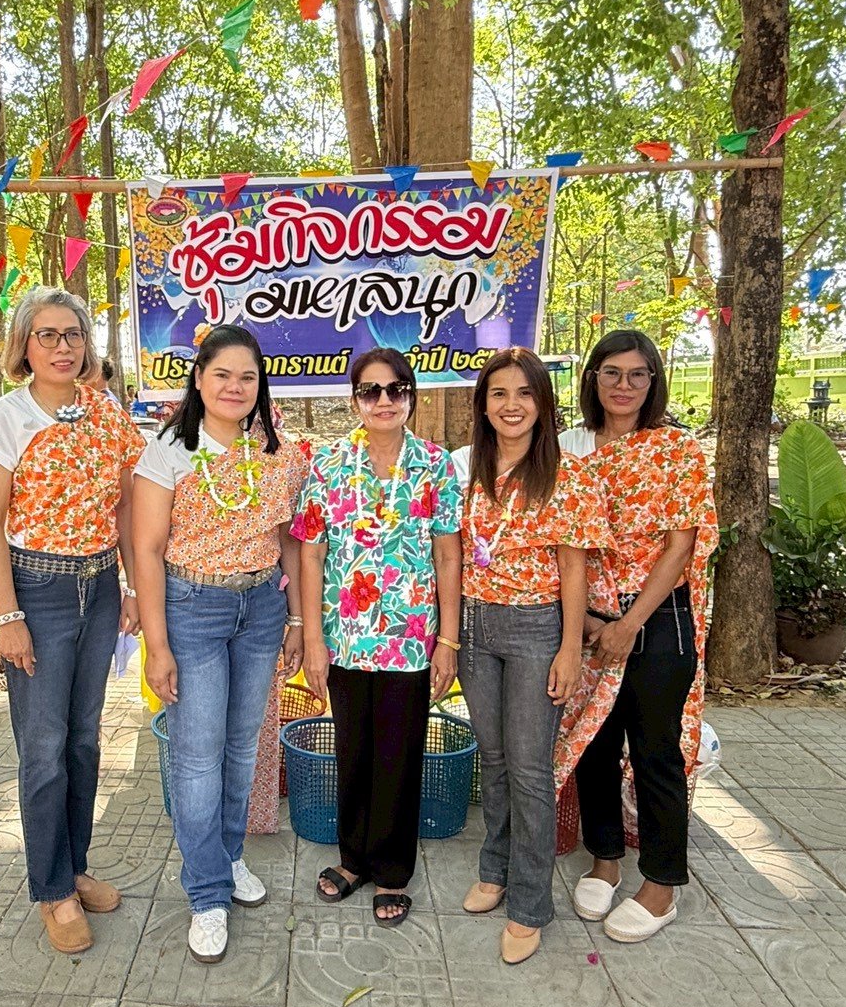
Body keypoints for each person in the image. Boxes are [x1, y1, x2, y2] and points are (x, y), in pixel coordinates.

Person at [0, 288, 145, 956]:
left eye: (72, 334)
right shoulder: (6, 417)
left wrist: (129, 585)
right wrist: (7, 615)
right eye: (46, 335)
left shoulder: (105, 411)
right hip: (37, 592)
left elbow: (124, 506)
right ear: (24, 345)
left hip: (98, 587)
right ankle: (51, 890)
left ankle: (73, 867)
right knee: (43, 747)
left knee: (83, 742)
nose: (61, 347)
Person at [132, 325, 308, 964]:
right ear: (199, 379)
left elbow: (288, 538)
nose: (235, 387)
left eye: (248, 377)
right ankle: (206, 893)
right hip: (193, 610)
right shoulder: (169, 450)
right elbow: (147, 550)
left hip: (261, 609)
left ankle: (228, 857)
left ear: (261, 385)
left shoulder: (275, 449)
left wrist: (295, 620)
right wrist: (158, 646)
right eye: (222, 375)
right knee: (198, 756)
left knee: (243, 747)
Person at [556, 329, 718, 945]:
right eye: (612, 373)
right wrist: (590, 623)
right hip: (587, 616)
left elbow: (681, 546)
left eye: (637, 374)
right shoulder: (569, 449)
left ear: (654, 382)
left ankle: (661, 885)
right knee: (595, 741)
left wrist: (628, 624)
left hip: (659, 617)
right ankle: (605, 860)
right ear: (592, 378)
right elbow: (560, 541)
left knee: (655, 750)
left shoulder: (677, 450)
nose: (624, 385)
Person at [451, 348, 612, 964]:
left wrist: (569, 648)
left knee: (528, 768)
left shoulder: (567, 475)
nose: (511, 405)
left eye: (524, 393)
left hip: (535, 630)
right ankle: (494, 869)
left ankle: (529, 903)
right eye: (498, 393)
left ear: (543, 403)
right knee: (492, 758)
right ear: (483, 404)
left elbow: (574, 570)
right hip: (475, 626)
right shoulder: (469, 468)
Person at [293, 348, 462, 928]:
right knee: (353, 750)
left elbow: (448, 556)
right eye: (370, 390)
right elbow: (311, 556)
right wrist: (314, 640)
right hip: (344, 640)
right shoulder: (328, 465)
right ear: (355, 400)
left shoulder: (435, 466)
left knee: (400, 754)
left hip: (411, 641)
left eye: (395, 389)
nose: (384, 400)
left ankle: (391, 870)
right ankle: (353, 859)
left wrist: (448, 641)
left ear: (410, 395)